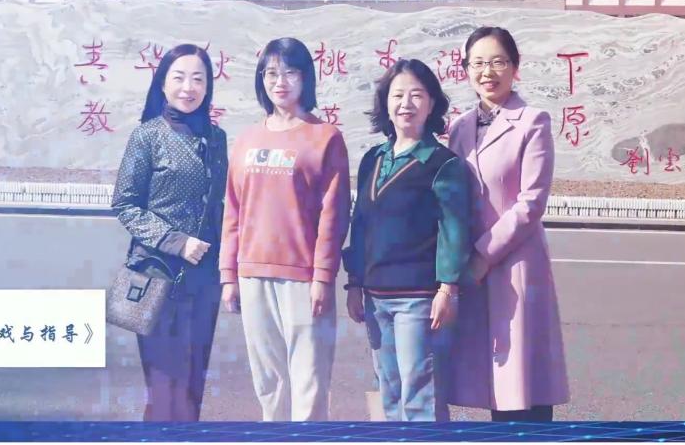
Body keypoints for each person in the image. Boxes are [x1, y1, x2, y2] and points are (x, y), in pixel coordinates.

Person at [219, 37, 351, 421]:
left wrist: (323, 277)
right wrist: (228, 275)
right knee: (268, 384)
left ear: (305, 78)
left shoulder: (325, 137)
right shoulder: (247, 139)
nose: (280, 82)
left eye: (290, 72)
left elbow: (333, 214)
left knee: (309, 381)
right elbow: (233, 211)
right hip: (252, 274)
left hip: (303, 278)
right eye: (271, 73)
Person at [448, 26, 569, 422]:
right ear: (466, 69)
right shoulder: (459, 127)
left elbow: (531, 202)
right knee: (492, 376)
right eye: (478, 63)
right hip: (472, 267)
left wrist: (482, 254)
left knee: (522, 380)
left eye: (498, 61)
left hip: (516, 263)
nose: (488, 72)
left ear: (515, 68)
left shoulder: (533, 122)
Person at [343, 58, 470, 421]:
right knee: (389, 391)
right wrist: (354, 283)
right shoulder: (373, 159)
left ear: (432, 104)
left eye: (417, 95)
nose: (406, 104)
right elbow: (360, 224)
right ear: (386, 103)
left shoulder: (443, 163)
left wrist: (447, 289)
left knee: (420, 395)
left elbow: (454, 231)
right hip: (375, 297)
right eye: (397, 95)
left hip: (418, 299)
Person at [111, 44, 229, 421]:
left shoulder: (217, 139)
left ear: (208, 86)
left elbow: (220, 206)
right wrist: (176, 242)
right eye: (179, 77)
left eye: (198, 79)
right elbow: (125, 204)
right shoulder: (147, 136)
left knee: (192, 387)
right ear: (162, 83)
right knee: (164, 388)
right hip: (157, 275)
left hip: (204, 280)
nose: (188, 87)